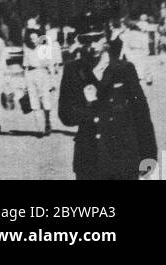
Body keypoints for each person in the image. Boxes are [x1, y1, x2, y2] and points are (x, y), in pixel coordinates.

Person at [58, 31, 157, 181]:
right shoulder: (73, 70)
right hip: (90, 158)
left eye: (97, 39)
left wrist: (148, 157)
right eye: (86, 40)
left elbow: (141, 114)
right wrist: (87, 104)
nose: (92, 46)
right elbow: (65, 116)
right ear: (79, 41)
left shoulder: (124, 69)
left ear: (106, 39)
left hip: (123, 157)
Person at [23, 30, 54, 137]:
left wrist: (52, 81)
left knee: (45, 100)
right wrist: (25, 83)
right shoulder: (27, 49)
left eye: (35, 38)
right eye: (31, 38)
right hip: (31, 75)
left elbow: (50, 65)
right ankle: (39, 128)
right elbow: (25, 66)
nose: (33, 41)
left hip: (43, 75)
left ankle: (47, 122)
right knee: (34, 101)